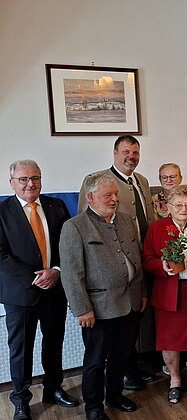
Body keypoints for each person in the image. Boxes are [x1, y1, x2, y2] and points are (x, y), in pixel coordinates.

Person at [59, 173, 146, 420]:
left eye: (116, 194)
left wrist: (141, 293)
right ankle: (94, 407)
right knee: (95, 361)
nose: (114, 199)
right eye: (108, 195)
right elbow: (72, 274)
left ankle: (115, 395)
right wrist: (82, 309)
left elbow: (137, 260)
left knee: (121, 356)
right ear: (90, 197)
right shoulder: (75, 227)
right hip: (98, 309)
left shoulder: (126, 220)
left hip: (130, 303)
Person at [0, 159, 79, 420]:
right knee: (21, 350)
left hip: (55, 288)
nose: (30, 184)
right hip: (20, 293)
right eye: (23, 179)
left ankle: (53, 388)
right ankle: (21, 400)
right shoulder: (2, 212)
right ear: (12, 182)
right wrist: (34, 278)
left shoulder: (56, 206)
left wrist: (56, 270)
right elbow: (1, 255)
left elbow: (68, 245)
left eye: (35, 178)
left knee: (54, 342)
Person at [77, 135, 156, 390]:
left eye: (135, 152)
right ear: (115, 153)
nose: (131, 157)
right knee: (117, 325)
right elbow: (86, 224)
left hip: (141, 261)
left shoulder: (142, 180)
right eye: (126, 152)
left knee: (135, 319)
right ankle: (124, 373)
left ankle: (133, 366)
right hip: (112, 269)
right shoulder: (97, 181)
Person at [142, 185, 187, 404]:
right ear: (168, 207)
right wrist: (161, 266)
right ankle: (175, 380)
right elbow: (146, 259)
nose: (183, 209)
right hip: (168, 291)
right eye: (178, 205)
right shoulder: (157, 228)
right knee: (169, 340)